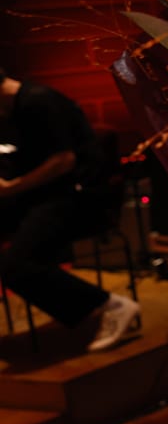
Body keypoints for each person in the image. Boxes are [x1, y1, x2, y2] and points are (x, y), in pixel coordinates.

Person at [0, 66, 141, 352]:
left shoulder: (39, 102)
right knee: (16, 258)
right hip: (49, 198)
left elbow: (63, 161)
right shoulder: (14, 108)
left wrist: (12, 187)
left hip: (82, 200)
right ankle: (79, 305)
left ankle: (111, 305)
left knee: (16, 266)